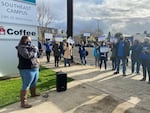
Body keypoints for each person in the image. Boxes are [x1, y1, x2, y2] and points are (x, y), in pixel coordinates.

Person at [16, 36, 40, 108]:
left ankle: (33, 94)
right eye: (28, 40)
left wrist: (37, 51)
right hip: (26, 69)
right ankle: (23, 103)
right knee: (26, 85)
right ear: (24, 40)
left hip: (34, 68)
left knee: (34, 82)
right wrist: (34, 50)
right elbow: (27, 55)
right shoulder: (21, 48)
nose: (30, 41)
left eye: (30, 40)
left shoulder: (29, 47)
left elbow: (34, 55)